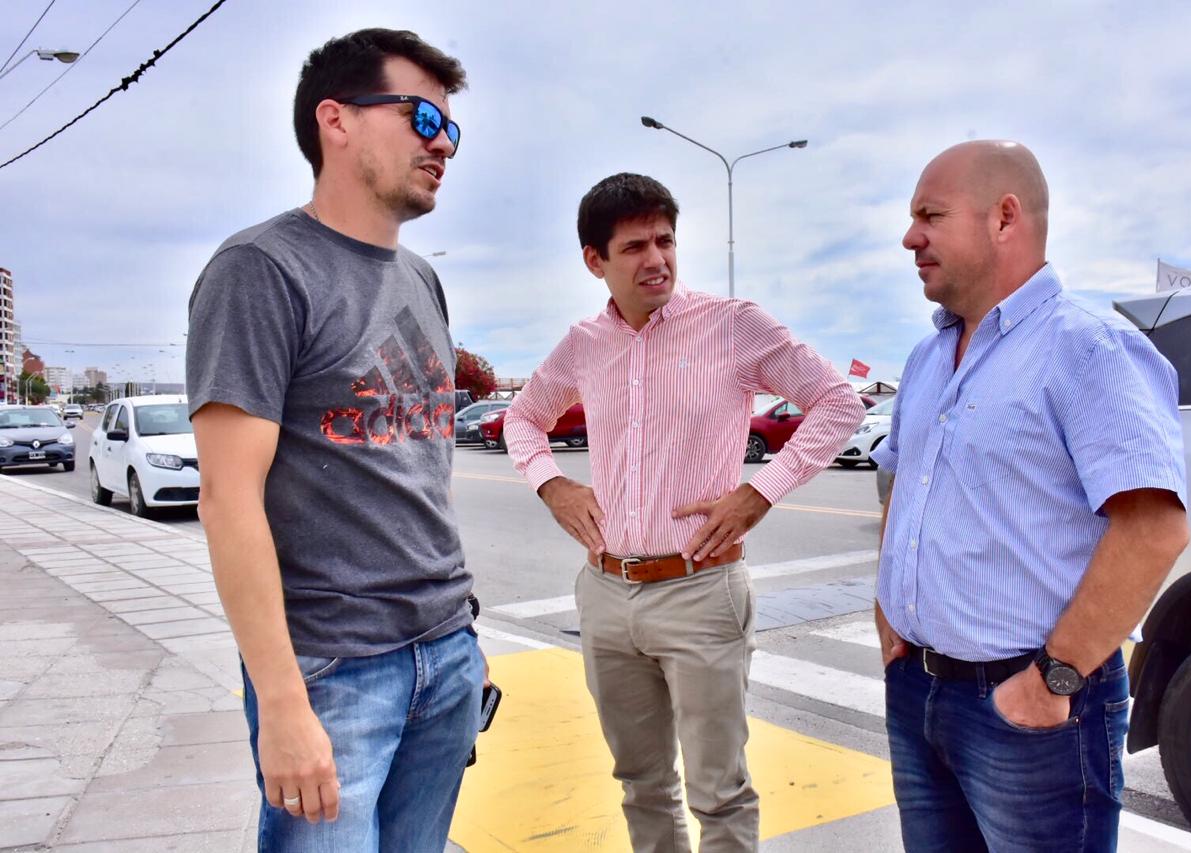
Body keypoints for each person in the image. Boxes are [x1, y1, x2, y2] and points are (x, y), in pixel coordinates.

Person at [504, 172, 864, 852]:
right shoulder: (584, 343)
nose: (656, 260)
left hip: (701, 590)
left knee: (719, 793)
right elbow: (523, 418)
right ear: (595, 260)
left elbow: (839, 402)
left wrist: (760, 491)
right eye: (634, 247)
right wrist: (553, 485)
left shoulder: (733, 326)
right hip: (607, 592)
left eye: (665, 241)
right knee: (641, 783)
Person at [185, 29, 482, 853]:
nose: (442, 144)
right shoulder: (260, 269)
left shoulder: (422, 279)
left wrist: (463, 635)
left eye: (452, 129)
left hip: (446, 654)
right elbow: (227, 498)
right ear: (337, 119)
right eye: (423, 117)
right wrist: (282, 702)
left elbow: (422, 472)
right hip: (334, 671)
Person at [873, 140, 1190, 852]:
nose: (910, 237)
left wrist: (1053, 678)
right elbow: (903, 480)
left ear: (1004, 217)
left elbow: (1153, 529)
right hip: (917, 690)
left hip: (1030, 709)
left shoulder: (1089, 348)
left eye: (930, 215)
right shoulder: (927, 356)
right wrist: (888, 613)